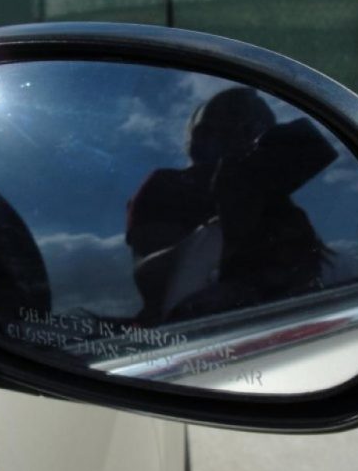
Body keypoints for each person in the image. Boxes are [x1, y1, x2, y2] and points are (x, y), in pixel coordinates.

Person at [126, 87, 337, 324]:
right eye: (210, 130)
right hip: (180, 334)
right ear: (194, 138)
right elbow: (151, 278)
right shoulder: (169, 184)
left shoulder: (277, 206)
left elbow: (308, 275)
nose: (229, 139)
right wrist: (217, 230)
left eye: (251, 131)